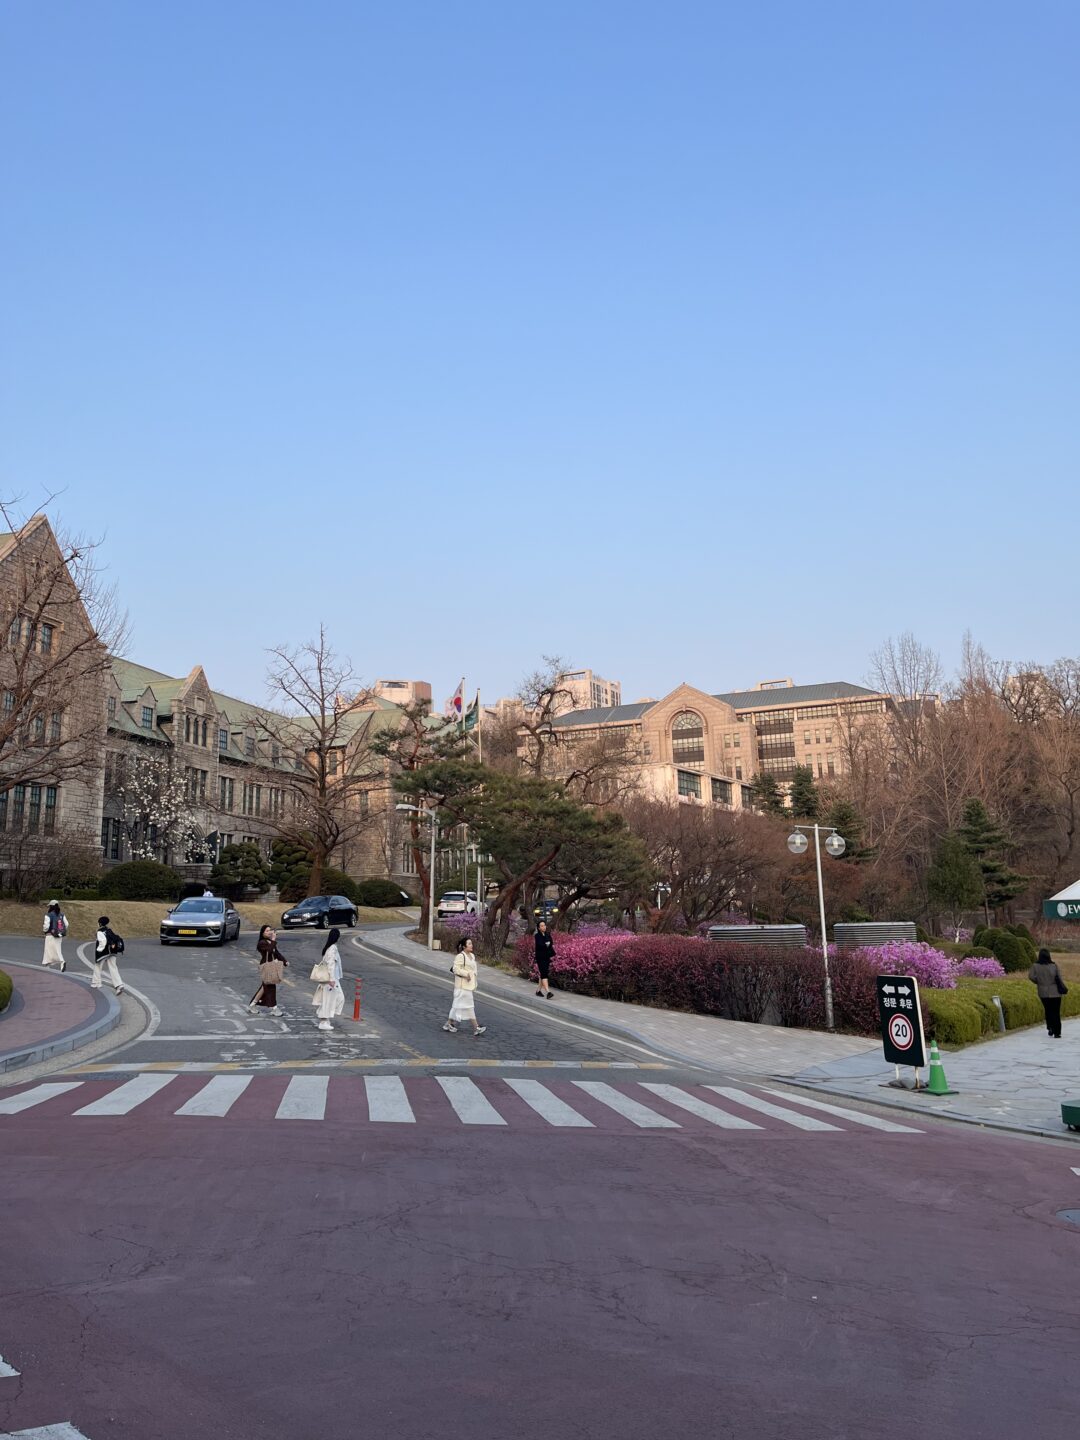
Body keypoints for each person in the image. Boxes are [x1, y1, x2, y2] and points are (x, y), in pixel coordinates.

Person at [443, 936, 486, 1036]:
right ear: (464, 946)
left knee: (458, 1007)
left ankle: (448, 1024)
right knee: (468, 1006)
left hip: (468, 985)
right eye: (469, 943)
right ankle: (476, 1027)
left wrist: (473, 976)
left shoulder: (472, 956)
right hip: (461, 986)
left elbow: (473, 969)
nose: (472, 945)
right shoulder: (460, 956)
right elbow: (455, 969)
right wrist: (466, 974)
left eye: (471, 943)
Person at [1028, 947, 1067, 1038]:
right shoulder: (1054, 965)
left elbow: (1031, 976)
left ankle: (1050, 1027)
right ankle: (1057, 1032)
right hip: (1056, 992)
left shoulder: (1035, 966)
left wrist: (1038, 981)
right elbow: (1059, 978)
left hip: (1043, 992)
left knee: (1048, 1010)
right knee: (1056, 1012)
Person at [249, 924, 287, 1016]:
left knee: (264, 987)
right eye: (267, 931)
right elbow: (269, 951)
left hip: (272, 965)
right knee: (270, 987)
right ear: (262, 933)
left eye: (270, 930)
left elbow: (276, 952)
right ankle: (274, 1008)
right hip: (266, 966)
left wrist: (285, 961)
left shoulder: (270, 942)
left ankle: (252, 1004)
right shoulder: (261, 943)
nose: (269, 932)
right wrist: (273, 940)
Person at [312, 927, 344, 1032]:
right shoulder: (332, 948)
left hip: (331, 979)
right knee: (331, 999)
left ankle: (325, 1019)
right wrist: (331, 979)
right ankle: (323, 1021)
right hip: (330, 979)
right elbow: (331, 964)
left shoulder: (329, 947)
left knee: (334, 999)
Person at [92, 917, 125, 995]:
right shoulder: (109, 930)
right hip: (113, 952)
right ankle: (119, 985)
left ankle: (96, 983)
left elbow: (103, 942)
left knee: (98, 966)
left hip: (104, 953)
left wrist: (99, 950)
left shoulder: (100, 932)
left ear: (100, 923)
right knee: (113, 968)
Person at [41, 900, 68, 971]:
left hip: (50, 935)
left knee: (48, 950)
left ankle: (61, 961)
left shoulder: (48, 915)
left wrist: (44, 931)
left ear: (50, 906)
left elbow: (46, 926)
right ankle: (49, 964)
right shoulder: (62, 915)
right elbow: (67, 924)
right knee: (57, 949)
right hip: (59, 935)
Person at [534, 919, 555, 999]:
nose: (544, 927)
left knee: (543, 973)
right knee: (544, 974)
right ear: (539, 928)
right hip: (540, 957)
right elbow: (540, 945)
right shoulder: (537, 936)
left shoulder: (548, 934)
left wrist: (547, 944)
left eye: (544, 925)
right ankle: (548, 992)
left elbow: (551, 943)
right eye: (542, 926)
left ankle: (538, 991)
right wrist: (546, 944)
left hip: (547, 956)